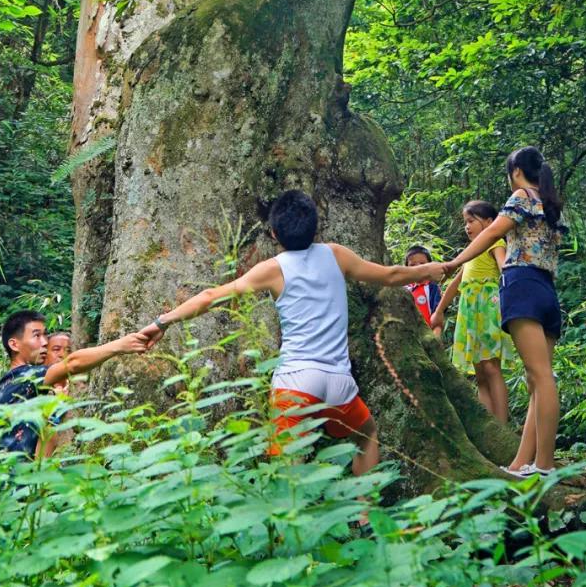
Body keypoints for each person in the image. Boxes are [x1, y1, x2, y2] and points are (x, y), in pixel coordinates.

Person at [136, 189, 451, 474]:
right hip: (338, 381)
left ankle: (295, 525)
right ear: (316, 226)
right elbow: (392, 274)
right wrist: (428, 271)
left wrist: (161, 322)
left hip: (295, 381)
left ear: (274, 233)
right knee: (367, 435)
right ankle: (366, 515)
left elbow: (209, 297)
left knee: (290, 470)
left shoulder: (273, 269)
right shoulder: (336, 255)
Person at [444, 148, 565, 475]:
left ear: (516, 173)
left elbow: (492, 233)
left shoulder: (522, 196)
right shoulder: (552, 205)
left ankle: (544, 465)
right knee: (537, 379)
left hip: (522, 285)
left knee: (541, 377)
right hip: (547, 290)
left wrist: (454, 262)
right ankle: (522, 462)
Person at [0, 309, 149, 458]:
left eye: (45, 335)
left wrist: (55, 413)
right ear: (14, 344)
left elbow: (41, 458)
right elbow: (73, 363)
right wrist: (120, 345)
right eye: (36, 335)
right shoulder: (20, 377)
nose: (44, 342)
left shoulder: (31, 390)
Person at [432, 201, 510, 423]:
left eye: (471, 221)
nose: (466, 227)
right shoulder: (469, 253)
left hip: (487, 308)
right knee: (479, 371)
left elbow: (504, 265)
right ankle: (490, 427)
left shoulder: (495, 243)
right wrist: (439, 312)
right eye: (465, 222)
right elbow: (455, 284)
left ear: (488, 222)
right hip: (470, 312)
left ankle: (502, 425)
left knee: (491, 367)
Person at [404, 245, 443, 326]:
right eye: (412, 265)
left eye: (422, 263)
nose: (418, 267)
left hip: (428, 333)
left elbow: (437, 314)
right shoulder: (404, 288)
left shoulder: (433, 288)